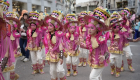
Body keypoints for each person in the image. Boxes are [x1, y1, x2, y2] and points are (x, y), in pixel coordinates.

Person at [79, 7, 110, 80]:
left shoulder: (101, 39)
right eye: (88, 27)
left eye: (92, 28)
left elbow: (107, 52)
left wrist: (104, 57)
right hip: (92, 61)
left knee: (92, 77)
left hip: (100, 62)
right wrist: (80, 44)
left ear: (97, 28)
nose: (89, 30)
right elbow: (89, 47)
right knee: (98, 77)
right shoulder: (89, 37)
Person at [43, 11, 66, 80]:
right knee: (52, 72)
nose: (49, 27)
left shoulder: (58, 34)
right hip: (51, 56)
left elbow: (60, 46)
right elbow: (47, 47)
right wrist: (47, 57)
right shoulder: (47, 35)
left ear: (55, 26)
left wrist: (61, 57)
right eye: (48, 25)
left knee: (60, 70)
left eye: (51, 26)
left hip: (59, 55)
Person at [6, 11, 21, 80]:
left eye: (12, 23)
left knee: (12, 66)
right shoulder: (4, 33)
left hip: (14, 50)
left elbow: (17, 42)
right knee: (7, 67)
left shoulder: (16, 33)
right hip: (6, 52)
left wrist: (18, 48)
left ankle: (12, 77)